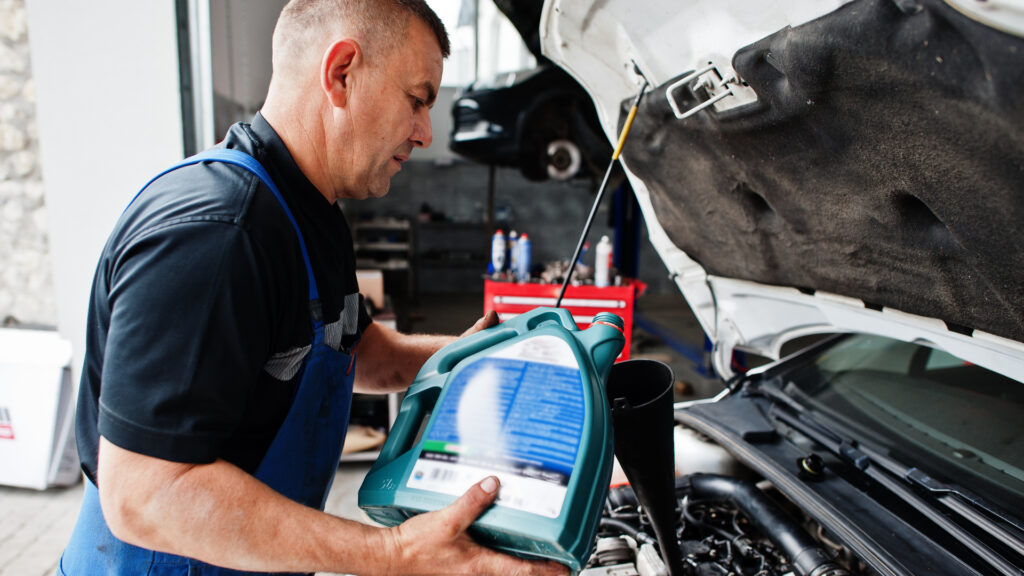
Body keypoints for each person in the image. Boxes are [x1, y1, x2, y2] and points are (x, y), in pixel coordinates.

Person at [57, 1, 567, 575]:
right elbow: (145, 494)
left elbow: (354, 349)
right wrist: (394, 554)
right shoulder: (219, 236)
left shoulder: (309, 211)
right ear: (341, 72)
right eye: (418, 100)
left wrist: (479, 360)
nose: (426, 133)